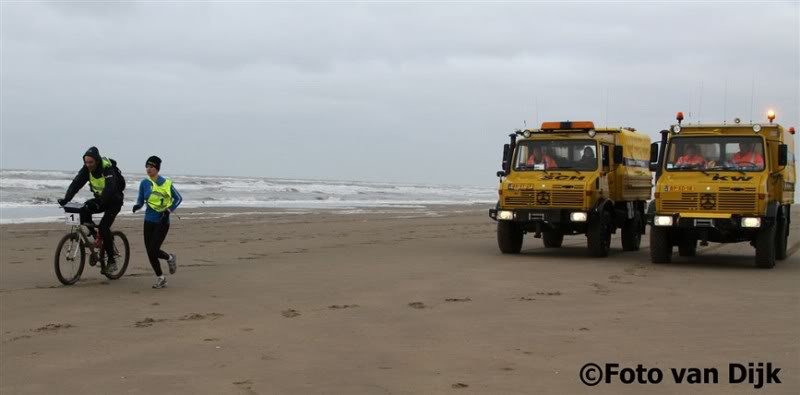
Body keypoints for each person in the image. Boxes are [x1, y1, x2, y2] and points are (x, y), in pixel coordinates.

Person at [58, 146, 124, 275]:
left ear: (97, 161)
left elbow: (110, 188)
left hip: (114, 202)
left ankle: (111, 261)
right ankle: (96, 237)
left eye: (90, 162)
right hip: (101, 199)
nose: (88, 165)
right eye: (86, 162)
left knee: (104, 228)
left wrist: (100, 202)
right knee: (84, 210)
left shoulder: (107, 168)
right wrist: (66, 199)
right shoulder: (86, 170)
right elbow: (76, 184)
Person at [132, 156, 183, 289]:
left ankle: (170, 258)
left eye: (151, 167)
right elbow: (140, 199)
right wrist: (137, 206)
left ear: (157, 169)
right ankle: (161, 278)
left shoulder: (167, 183)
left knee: (153, 250)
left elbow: (178, 198)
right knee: (150, 252)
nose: (148, 169)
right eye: (147, 166)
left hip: (162, 221)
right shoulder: (144, 183)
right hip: (148, 221)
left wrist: (169, 209)